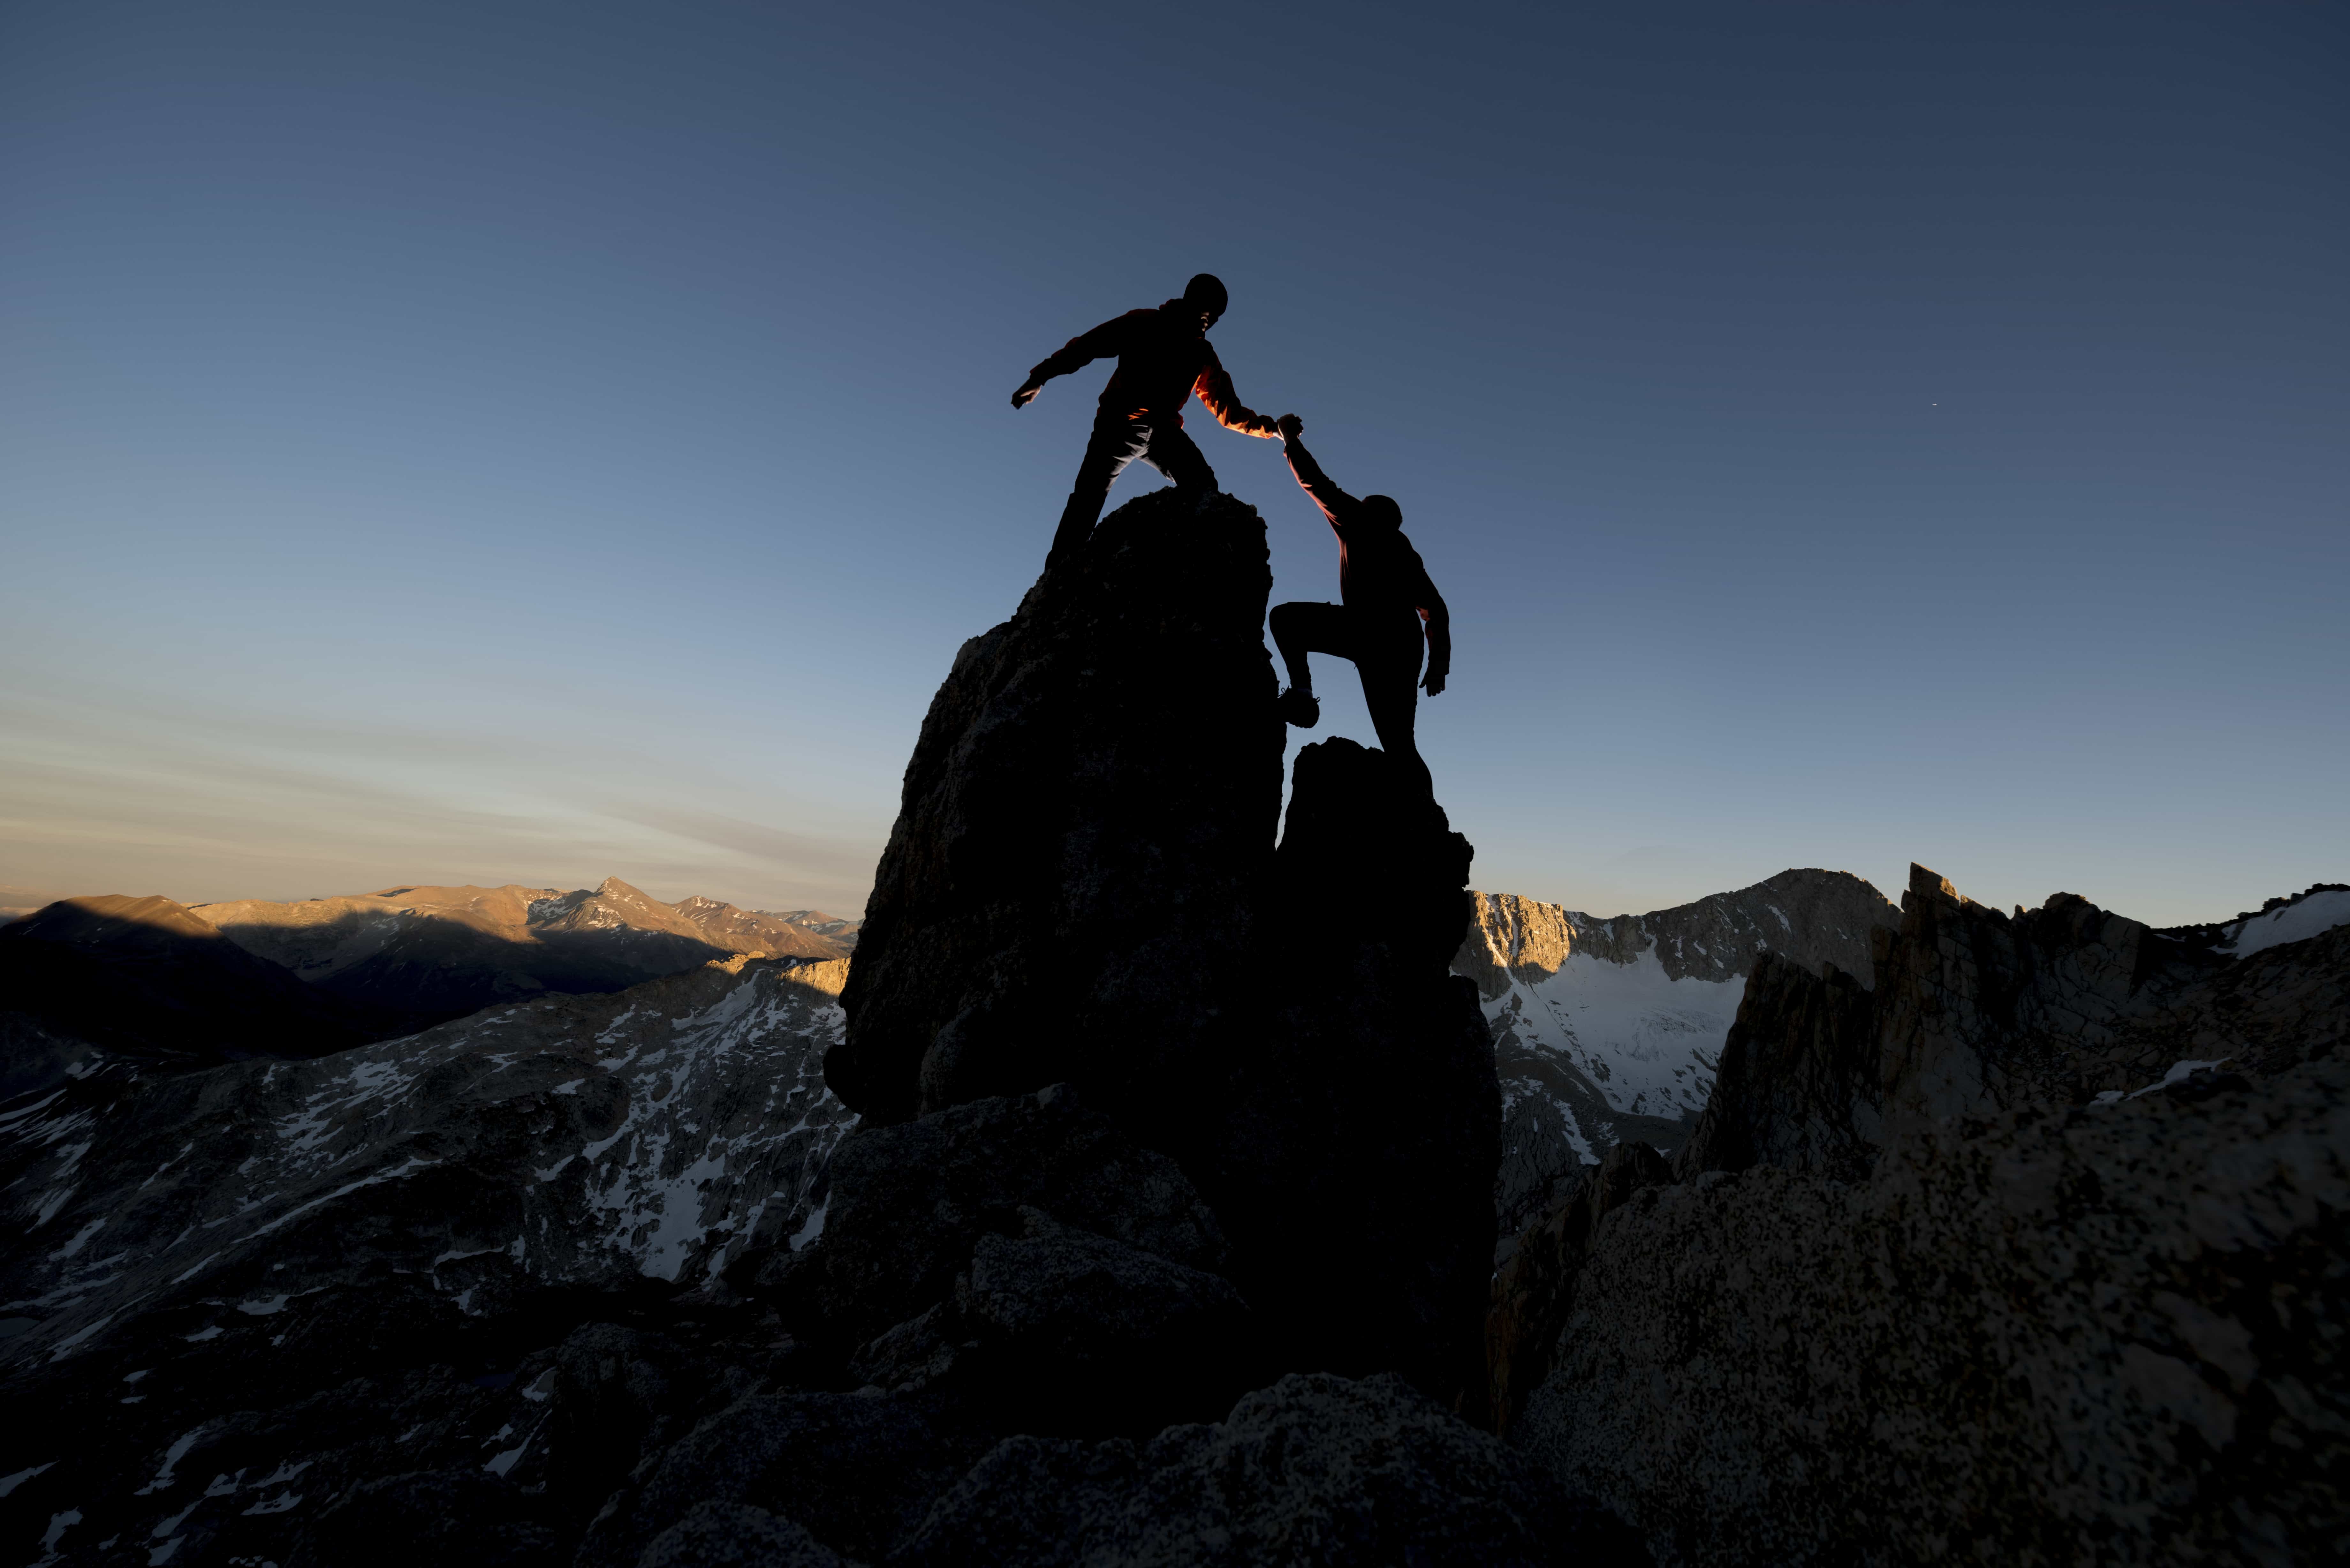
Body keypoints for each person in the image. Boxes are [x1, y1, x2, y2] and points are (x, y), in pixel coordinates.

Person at [1012, 273, 1287, 564]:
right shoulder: (1143, 323)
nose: (1213, 321)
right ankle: (1057, 577)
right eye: (1210, 311)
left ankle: (1180, 564)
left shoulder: (1202, 354)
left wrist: (1273, 429)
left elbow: (1228, 411)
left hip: (1162, 435)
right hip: (1118, 427)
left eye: (1218, 317)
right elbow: (1088, 346)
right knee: (1087, 501)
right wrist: (1041, 376)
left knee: (1203, 485)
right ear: (1191, 300)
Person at [1267, 413, 1450, 796]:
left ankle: (1301, 693)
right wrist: (1437, 667)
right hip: (1403, 646)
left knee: (1285, 619)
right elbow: (1436, 609)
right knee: (1400, 743)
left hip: (1364, 630)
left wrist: (1288, 437)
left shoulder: (1359, 522)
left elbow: (1314, 481)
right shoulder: (1406, 553)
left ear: (1369, 510)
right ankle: (1425, 820)